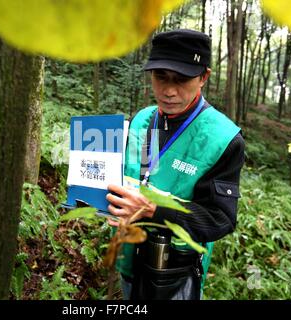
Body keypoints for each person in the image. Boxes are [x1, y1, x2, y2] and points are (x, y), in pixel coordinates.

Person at [106, 29, 245, 300]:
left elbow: (221, 219)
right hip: (128, 259)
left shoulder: (223, 139)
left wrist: (153, 210)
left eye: (181, 79)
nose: (168, 91)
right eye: (160, 77)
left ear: (203, 76)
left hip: (173, 275)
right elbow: (140, 176)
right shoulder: (143, 120)